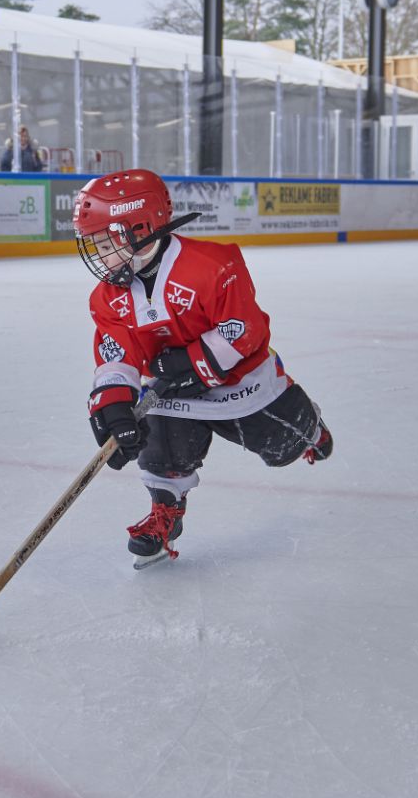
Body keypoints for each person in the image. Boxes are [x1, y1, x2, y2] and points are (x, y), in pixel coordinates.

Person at [74, 169, 333, 569]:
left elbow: (244, 329)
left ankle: (309, 426)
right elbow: (116, 354)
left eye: (107, 242)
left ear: (141, 228)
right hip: (171, 394)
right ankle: (165, 511)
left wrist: (191, 360)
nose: (101, 256)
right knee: (159, 446)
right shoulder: (106, 297)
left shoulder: (214, 265)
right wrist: (112, 406)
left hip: (237, 383)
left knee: (284, 447)